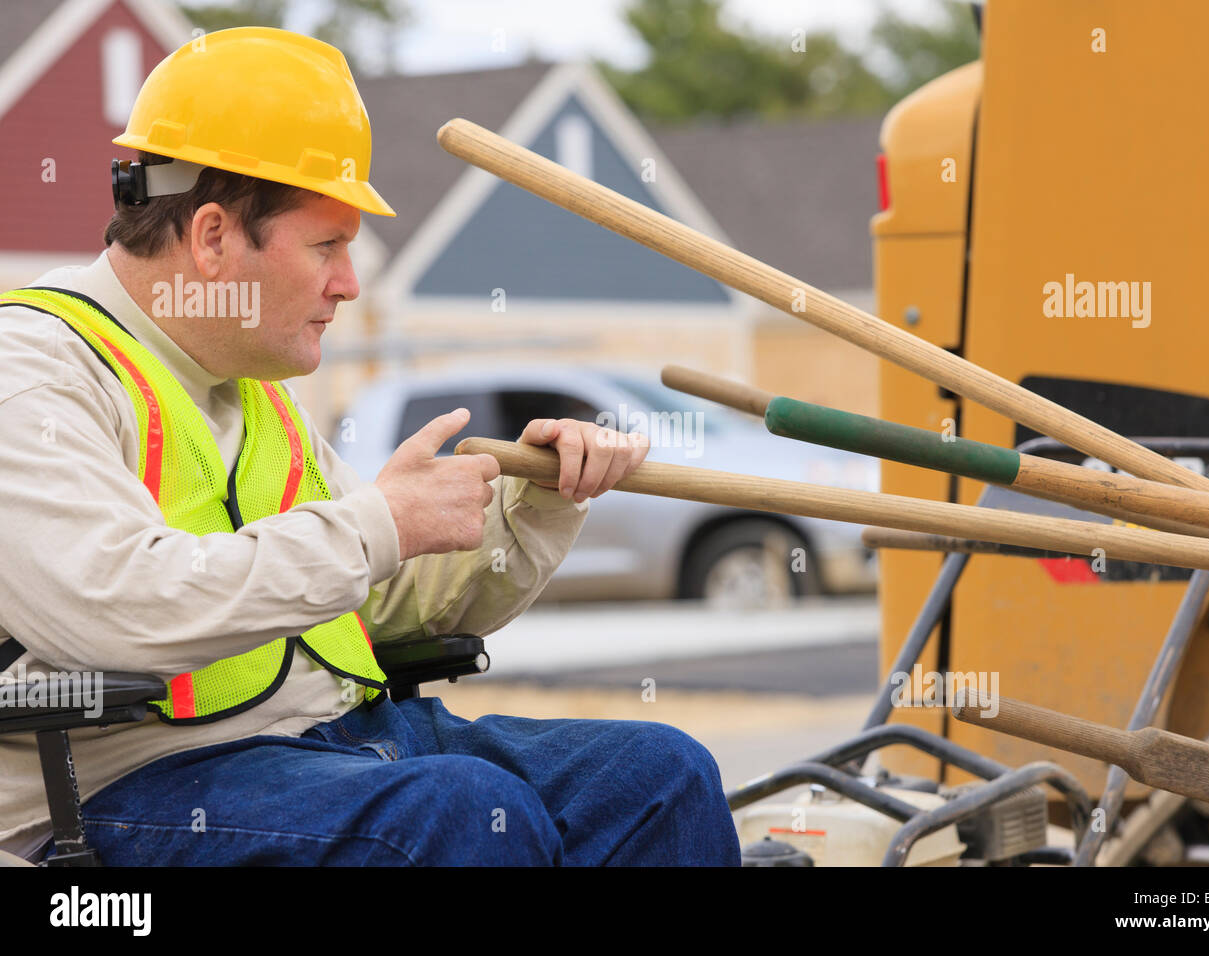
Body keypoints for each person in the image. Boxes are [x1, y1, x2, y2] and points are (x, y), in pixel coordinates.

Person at [0, 26, 741, 866]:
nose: (350, 282)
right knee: (460, 812)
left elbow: (373, 604)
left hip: (341, 742)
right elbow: (112, 608)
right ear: (212, 239)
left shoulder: (251, 384)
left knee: (659, 775)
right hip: (139, 785)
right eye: (328, 244)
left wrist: (530, 509)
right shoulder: (32, 370)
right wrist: (376, 523)